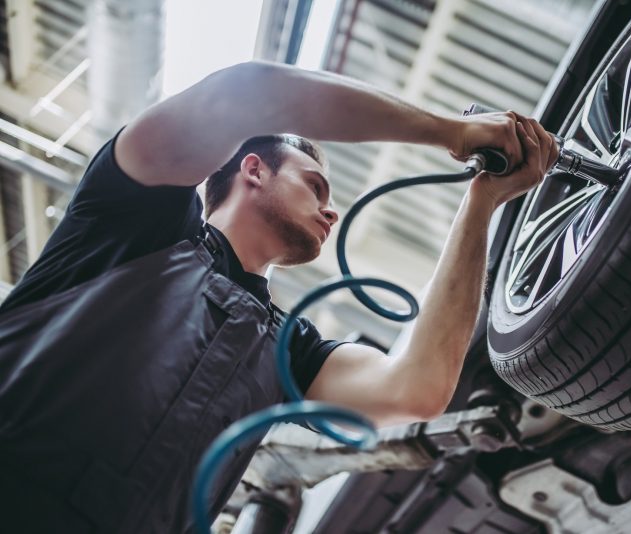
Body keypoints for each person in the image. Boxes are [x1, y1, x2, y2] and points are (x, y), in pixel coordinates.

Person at [0, 60, 557, 532]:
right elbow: (245, 93)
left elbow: (417, 389)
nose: (332, 210)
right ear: (252, 169)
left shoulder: (288, 352)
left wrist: (484, 201)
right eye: (315, 185)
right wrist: (452, 134)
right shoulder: (133, 221)